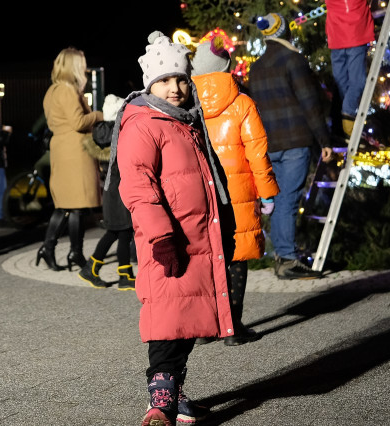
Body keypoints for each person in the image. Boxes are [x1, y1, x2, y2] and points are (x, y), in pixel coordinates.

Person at [112, 30, 235, 426]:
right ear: (151, 85)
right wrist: (162, 235)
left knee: (184, 321)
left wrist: (224, 226)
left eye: (181, 79)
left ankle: (175, 396)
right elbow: (136, 185)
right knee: (167, 321)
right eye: (165, 80)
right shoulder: (143, 124)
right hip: (168, 241)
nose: (176, 87)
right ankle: (159, 403)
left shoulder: (185, 123)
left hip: (197, 238)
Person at [191, 34, 280, 344]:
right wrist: (267, 191)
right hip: (239, 190)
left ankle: (205, 328)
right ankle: (233, 328)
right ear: (226, 66)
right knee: (237, 257)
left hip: (202, 191)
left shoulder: (189, 105)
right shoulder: (242, 103)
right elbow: (258, 152)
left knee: (206, 257)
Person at [247, 12, 333, 280]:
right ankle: (286, 259)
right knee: (288, 200)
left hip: (271, 144)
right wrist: (324, 140)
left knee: (280, 197)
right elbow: (309, 103)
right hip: (296, 141)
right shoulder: (293, 59)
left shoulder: (257, 67)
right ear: (285, 31)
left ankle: (281, 255)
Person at [36, 47, 103, 272]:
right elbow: (77, 122)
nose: (84, 67)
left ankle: (55, 249)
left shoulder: (53, 90)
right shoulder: (67, 90)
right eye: (81, 62)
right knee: (75, 205)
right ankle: (72, 252)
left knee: (69, 205)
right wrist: (101, 114)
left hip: (64, 149)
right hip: (74, 151)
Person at [318, 0, 376, 138]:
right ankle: (349, 113)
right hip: (356, 35)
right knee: (358, 80)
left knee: (341, 80)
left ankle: (345, 118)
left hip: (336, 37)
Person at [77, 94, 135, 290]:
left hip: (111, 191)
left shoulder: (103, 135)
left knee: (116, 232)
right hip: (120, 191)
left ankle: (96, 269)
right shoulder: (119, 135)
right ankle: (122, 275)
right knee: (123, 231)